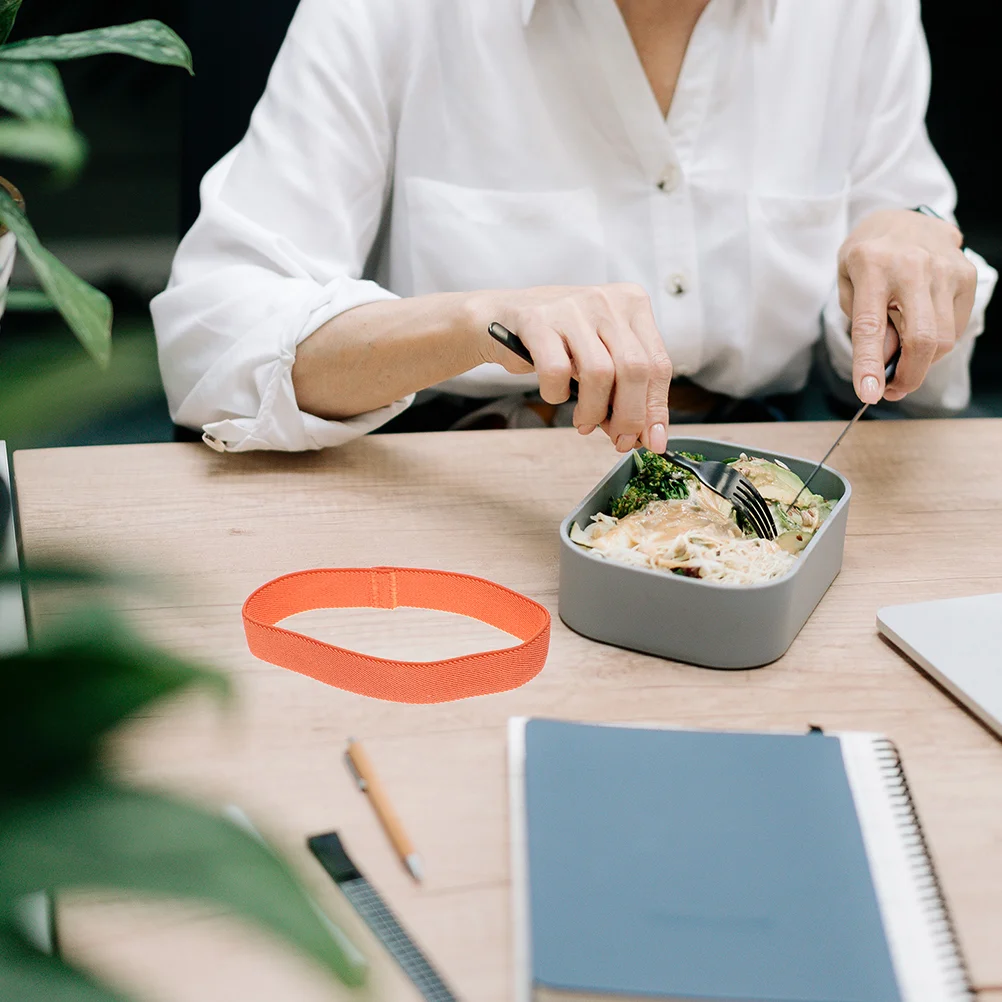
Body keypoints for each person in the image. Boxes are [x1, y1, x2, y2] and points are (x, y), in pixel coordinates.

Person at [152, 0, 997, 454]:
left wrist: (917, 261)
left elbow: (903, 304)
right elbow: (212, 339)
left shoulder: (860, 12)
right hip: (462, 481)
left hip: (773, 480)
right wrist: (472, 320)